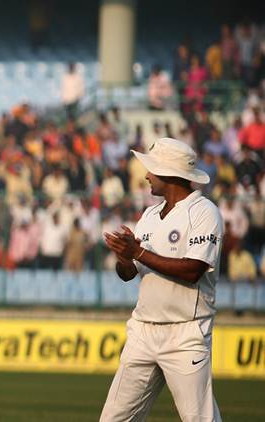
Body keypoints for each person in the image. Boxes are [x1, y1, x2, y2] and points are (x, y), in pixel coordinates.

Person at [100, 137, 223, 421]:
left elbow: (193, 270)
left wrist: (138, 252)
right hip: (142, 332)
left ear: (168, 174)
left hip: (185, 335)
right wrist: (124, 256)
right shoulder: (150, 214)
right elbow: (130, 274)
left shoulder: (205, 213)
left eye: (151, 169)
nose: (146, 175)